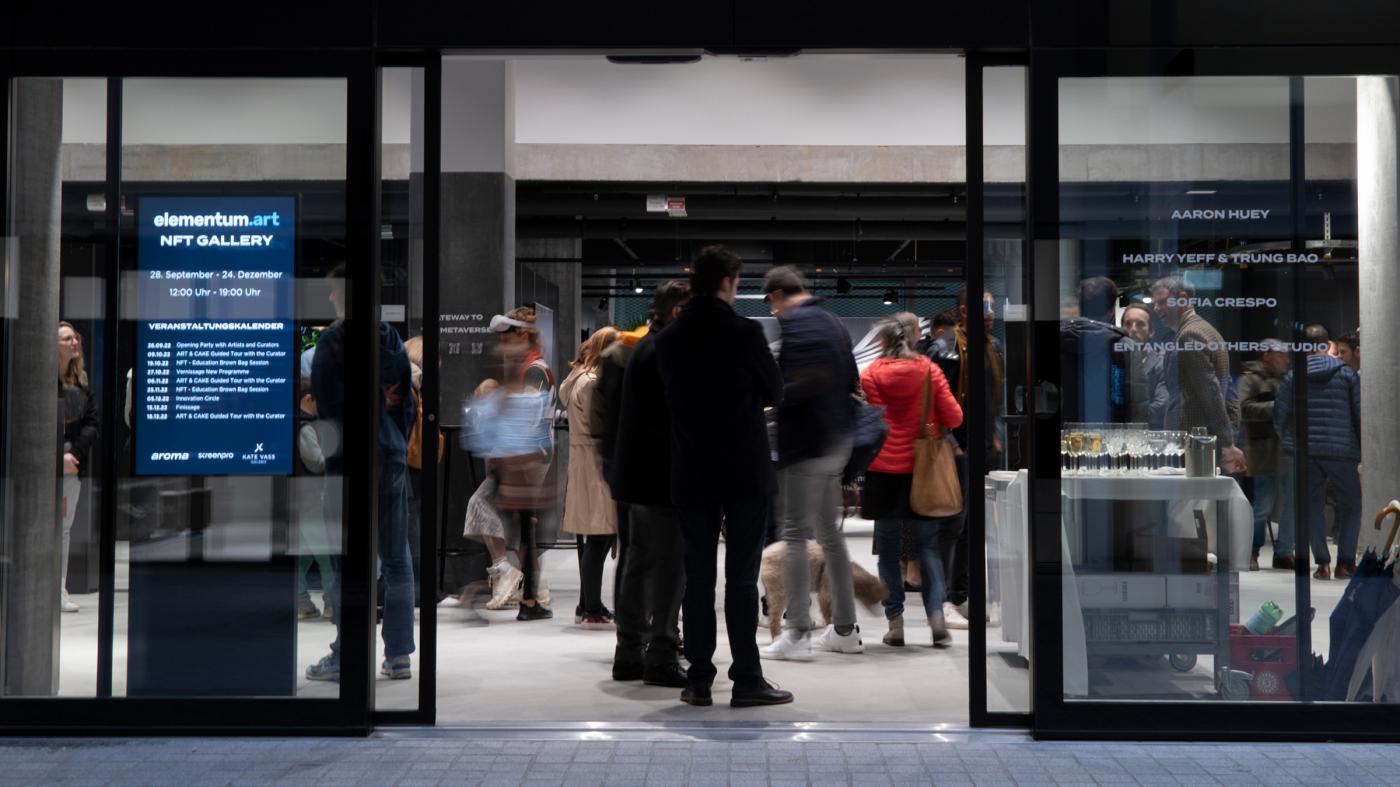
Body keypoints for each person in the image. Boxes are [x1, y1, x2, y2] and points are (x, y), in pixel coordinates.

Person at [655, 246, 790, 708]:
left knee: (697, 577)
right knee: (741, 578)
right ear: (729, 283)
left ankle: (698, 678)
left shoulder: (670, 338)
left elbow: (667, 400)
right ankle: (747, 678)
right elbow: (775, 391)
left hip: (691, 469)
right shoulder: (745, 332)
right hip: (744, 469)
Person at [307, 265, 417, 681]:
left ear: (340, 295)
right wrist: (392, 438)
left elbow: (328, 412)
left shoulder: (333, 342)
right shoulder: (391, 341)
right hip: (388, 455)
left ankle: (347, 653)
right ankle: (399, 655)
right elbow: (406, 405)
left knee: (344, 559)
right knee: (396, 558)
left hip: (349, 462)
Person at [758, 266, 861, 660]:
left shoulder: (798, 325)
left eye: (771, 303)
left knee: (795, 535)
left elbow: (801, 383)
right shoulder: (832, 321)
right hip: (839, 441)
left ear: (778, 295)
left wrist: (775, 398)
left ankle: (797, 632)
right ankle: (846, 631)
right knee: (830, 537)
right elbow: (850, 378)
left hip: (808, 444)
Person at [608, 280, 692, 688]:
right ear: (678, 312)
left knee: (638, 567)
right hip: (661, 480)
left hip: (635, 478)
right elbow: (677, 421)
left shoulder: (644, 348)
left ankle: (629, 654)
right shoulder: (666, 351)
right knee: (668, 569)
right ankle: (660, 654)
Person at [861, 318, 964, 649]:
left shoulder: (871, 374)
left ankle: (895, 625)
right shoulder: (929, 371)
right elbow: (955, 416)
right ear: (915, 337)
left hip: (882, 471)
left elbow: (869, 421)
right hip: (923, 472)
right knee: (927, 547)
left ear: (883, 341)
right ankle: (936, 617)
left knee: (888, 550)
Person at [927, 289, 1003, 628]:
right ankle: (940, 599)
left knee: (972, 525)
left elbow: (992, 398)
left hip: (983, 446)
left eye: (991, 307)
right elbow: (932, 401)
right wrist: (952, 442)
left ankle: (960, 594)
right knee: (952, 523)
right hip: (956, 449)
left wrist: (995, 434)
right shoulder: (944, 348)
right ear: (964, 310)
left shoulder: (992, 347)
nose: (990, 313)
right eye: (983, 306)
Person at [482, 306, 558, 619]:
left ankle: (526, 592)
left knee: (523, 524)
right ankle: (530, 596)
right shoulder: (525, 367)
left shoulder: (535, 369)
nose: (502, 345)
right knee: (526, 525)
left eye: (508, 337)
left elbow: (526, 416)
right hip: (522, 455)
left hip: (529, 456)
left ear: (523, 336)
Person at [1275, 325, 1362, 580]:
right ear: (1327, 345)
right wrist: (1358, 446)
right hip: (1341, 451)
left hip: (1305, 452)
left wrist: (1288, 442)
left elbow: (1280, 414)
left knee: (1312, 506)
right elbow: (1358, 414)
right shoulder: (1347, 374)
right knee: (1352, 506)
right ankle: (1345, 563)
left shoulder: (1294, 376)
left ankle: (1322, 564)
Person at [559, 326, 622, 629]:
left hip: (582, 462)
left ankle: (588, 604)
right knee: (600, 537)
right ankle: (592, 608)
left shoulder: (573, 379)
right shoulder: (593, 383)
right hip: (597, 462)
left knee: (592, 538)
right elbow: (602, 425)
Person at [1150, 276, 1244, 473]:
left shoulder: (1189, 335)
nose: (1156, 309)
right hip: (1199, 442)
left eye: (1162, 302)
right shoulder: (1205, 330)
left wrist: (1227, 442)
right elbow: (1228, 394)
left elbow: (1212, 392)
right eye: (1155, 303)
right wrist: (1229, 437)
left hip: (1193, 441)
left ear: (1183, 299)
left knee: (1191, 503)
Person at [1239, 339, 1293, 572]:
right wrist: (1277, 406)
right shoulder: (1250, 378)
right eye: (1281, 355)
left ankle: (1283, 553)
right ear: (1267, 355)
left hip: (1286, 449)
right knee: (1263, 505)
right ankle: (1251, 551)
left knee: (1291, 504)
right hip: (1262, 450)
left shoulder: (1287, 379)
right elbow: (1244, 408)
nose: (1286, 359)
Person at [58, 322, 98, 614]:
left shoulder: (81, 380)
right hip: (40, 468)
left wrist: (73, 455)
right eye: (67, 338)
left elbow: (92, 423)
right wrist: (55, 455)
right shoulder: (40, 379)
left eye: (76, 338)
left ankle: (59, 588)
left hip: (72, 469)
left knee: (64, 529)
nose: (74, 342)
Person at [294, 378, 336, 620]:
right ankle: (332, 603)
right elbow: (317, 462)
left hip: (302, 499)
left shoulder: (297, 423)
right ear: (308, 398)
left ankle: (301, 602)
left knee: (305, 555)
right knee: (327, 555)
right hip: (312, 500)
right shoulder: (305, 426)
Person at [1060, 277, 1128, 424]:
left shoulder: (1059, 342)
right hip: (1112, 432)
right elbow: (1137, 398)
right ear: (1111, 310)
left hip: (1068, 432)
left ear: (1081, 308)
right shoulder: (1122, 344)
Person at [1120, 304, 1169, 429]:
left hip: (1148, 436)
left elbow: (1160, 409)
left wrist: (1122, 415)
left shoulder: (1162, 366)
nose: (1133, 329)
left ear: (1151, 332)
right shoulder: (1114, 363)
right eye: (1128, 324)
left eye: (1140, 324)